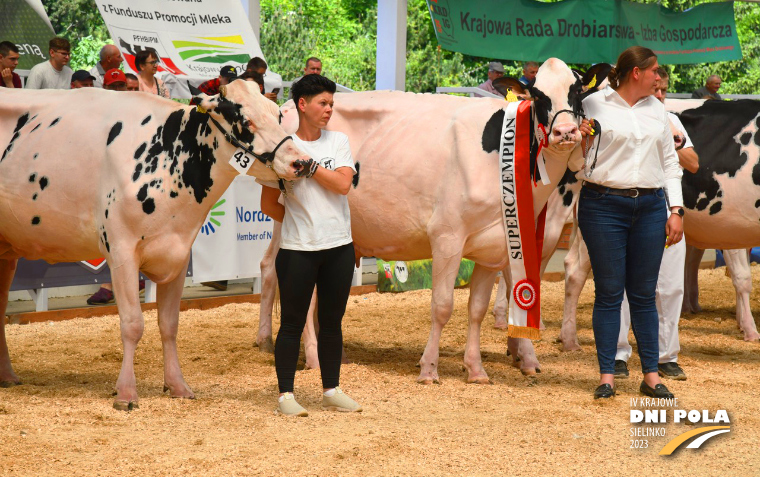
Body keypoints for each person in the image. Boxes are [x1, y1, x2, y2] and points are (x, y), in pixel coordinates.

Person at [578, 46, 683, 400]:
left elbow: (671, 163)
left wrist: (676, 210)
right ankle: (607, 375)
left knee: (643, 294)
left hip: (652, 207)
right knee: (609, 293)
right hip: (602, 204)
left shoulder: (658, 110)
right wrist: (582, 142)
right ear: (636, 72)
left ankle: (651, 375)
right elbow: (581, 159)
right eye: (655, 71)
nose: (660, 76)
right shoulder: (593, 104)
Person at [260, 74, 360, 416]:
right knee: (291, 324)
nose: (329, 109)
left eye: (332, 103)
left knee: (332, 324)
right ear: (302, 104)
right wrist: (299, 219)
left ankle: (331, 389)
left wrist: (312, 168)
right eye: (323, 103)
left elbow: (343, 185)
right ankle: (285, 397)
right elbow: (267, 204)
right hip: (297, 250)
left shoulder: (339, 141)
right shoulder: (282, 147)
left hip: (339, 248)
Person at [615, 67, 699, 382]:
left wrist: (673, 143)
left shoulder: (671, 120)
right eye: (656, 90)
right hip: (629, 208)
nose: (660, 96)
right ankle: (618, 354)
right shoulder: (622, 116)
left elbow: (693, 163)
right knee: (622, 285)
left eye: (664, 90)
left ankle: (666, 356)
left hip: (668, 209)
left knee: (671, 286)